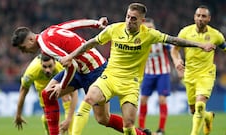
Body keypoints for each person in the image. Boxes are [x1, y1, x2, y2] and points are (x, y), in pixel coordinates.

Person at [60, 2, 216, 135]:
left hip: (131, 84)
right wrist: (70, 56)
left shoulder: (149, 34)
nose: (129, 21)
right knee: (88, 99)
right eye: (127, 17)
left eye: (133, 19)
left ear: (142, 20)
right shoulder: (114, 29)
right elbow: (90, 43)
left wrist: (200, 45)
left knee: (128, 126)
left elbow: (174, 40)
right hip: (110, 77)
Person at [11, 18, 148, 135]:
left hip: (95, 70)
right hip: (81, 69)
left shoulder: (45, 46)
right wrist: (96, 23)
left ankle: (140, 134)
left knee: (103, 119)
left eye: (23, 48)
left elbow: (71, 66)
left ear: (30, 39)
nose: (25, 52)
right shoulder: (49, 31)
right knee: (48, 94)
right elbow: (73, 24)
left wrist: (62, 86)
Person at [170, 5, 226, 135]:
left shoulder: (216, 35)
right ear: (194, 17)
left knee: (200, 105)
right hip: (189, 74)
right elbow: (174, 50)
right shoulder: (185, 32)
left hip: (206, 74)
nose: (200, 18)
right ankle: (208, 117)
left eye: (204, 16)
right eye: (198, 15)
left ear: (209, 18)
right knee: (194, 110)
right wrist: (177, 61)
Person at [14, 54, 78, 135]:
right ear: (40, 64)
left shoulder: (62, 66)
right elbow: (23, 92)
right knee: (47, 118)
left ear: (55, 63)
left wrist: (68, 119)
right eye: (44, 67)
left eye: (50, 66)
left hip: (58, 85)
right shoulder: (32, 71)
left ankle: (71, 133)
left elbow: (74, 93)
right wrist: (18, 114)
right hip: (43, 90)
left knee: (66, 97)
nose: (47, 70)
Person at [138, 18, 171, 135]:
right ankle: (141, 128)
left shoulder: (161, 39)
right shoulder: (140, 41)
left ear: (155, 29)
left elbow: (172, 50)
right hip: (148, 73)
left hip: (163, 73)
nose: (149, 30)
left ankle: (161, 130)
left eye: (151, 28)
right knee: (143, 99)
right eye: (147, 28)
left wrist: (177, 62)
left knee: (162, 99)